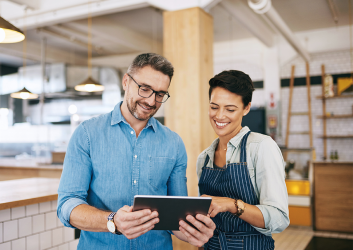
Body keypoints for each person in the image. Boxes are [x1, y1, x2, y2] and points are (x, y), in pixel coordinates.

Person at [57, 53, 215, 249]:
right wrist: (112, 221)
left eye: (159, 94)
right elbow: (67, 205)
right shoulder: (87, 134)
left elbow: (175, 218)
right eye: (145, 89)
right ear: (126, 81)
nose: (151, 101)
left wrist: (194, 231)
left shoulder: (174, 143)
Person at [196, 70, 289, 250]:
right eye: (214, 107)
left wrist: (232, 204)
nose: (220, 116)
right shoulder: (204, 158)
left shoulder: (261, 147)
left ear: (246, 108)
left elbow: (279, 219)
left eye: (230, 109)